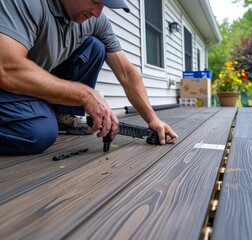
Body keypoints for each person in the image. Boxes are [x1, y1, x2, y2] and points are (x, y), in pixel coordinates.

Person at [0, 0, 178, 155]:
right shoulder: (28, 3)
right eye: (94, 0)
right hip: (6, 83)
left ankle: (63, 118)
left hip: (27, 82)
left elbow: (127, 73)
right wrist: (84, 95)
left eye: (103, 4)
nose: (97, 12)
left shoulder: (95, 19)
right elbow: (6, 68)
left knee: (95, 46)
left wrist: (152, 119)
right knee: (38, 133)